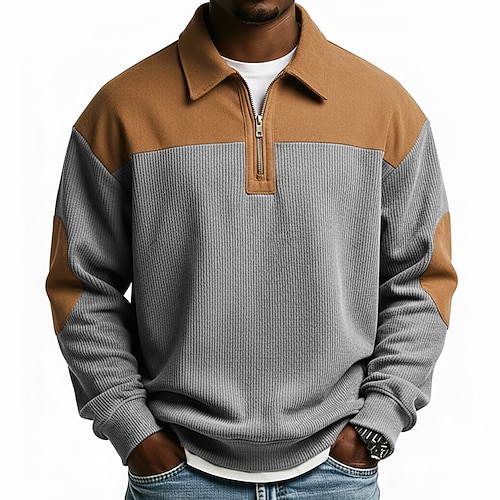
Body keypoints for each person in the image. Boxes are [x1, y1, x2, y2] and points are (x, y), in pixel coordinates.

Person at [46, 1, 458, 498]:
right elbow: (81, 286)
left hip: (335, 476)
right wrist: (133, 430)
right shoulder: (122, 109)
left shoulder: (384, 107)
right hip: (178, 477)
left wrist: (378, 420)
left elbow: (422, 280)